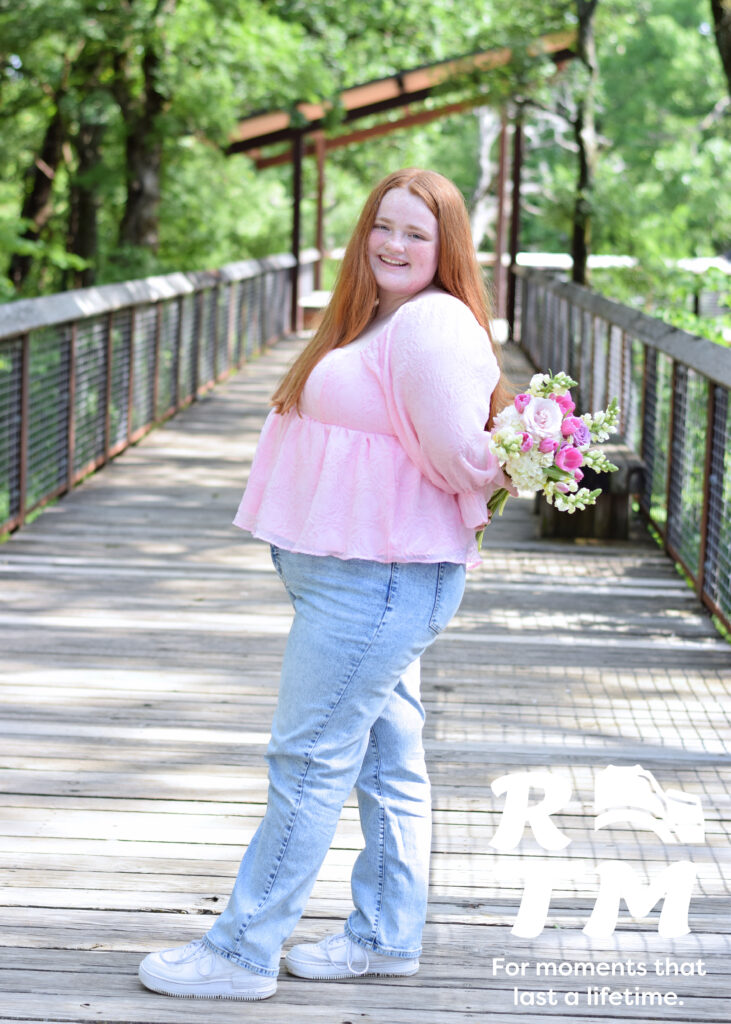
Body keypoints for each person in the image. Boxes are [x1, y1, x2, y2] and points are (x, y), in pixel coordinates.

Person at [138, 167, 513, 1001]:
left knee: (307, 760)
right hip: (354, 577)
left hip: (376, 581)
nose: (393, 243)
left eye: (417, 233)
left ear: (446, 247)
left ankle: (239, 952)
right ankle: (385, 936)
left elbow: (462, 458)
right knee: (385, 764)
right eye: (384, 225)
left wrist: (537, 447)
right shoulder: (374, 316)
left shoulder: (432, 324)